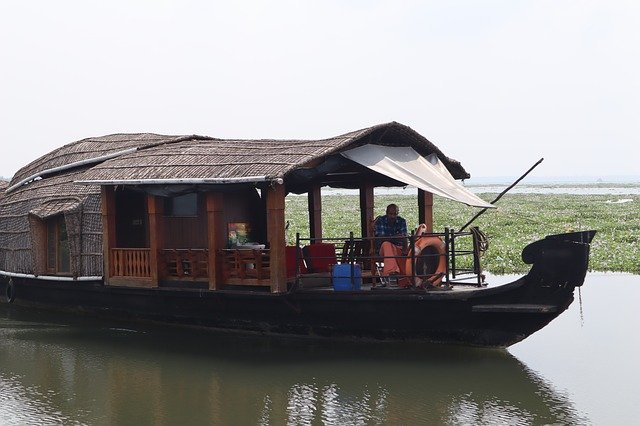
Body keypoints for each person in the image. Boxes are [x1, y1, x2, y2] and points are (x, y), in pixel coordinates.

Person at [373, 204, 408, 281]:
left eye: (395, 214)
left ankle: (396, 273)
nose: (392, 216)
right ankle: (391, 271)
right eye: (390, 214)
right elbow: (381, 238)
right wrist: (395, 237)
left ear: (397, 213)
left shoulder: (402, 221)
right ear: (386, 213)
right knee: (386, 244)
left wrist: (390, 238)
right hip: (383, 250)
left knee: (389, 244)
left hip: (398, 248)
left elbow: (404, 237)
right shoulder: (381, 220)